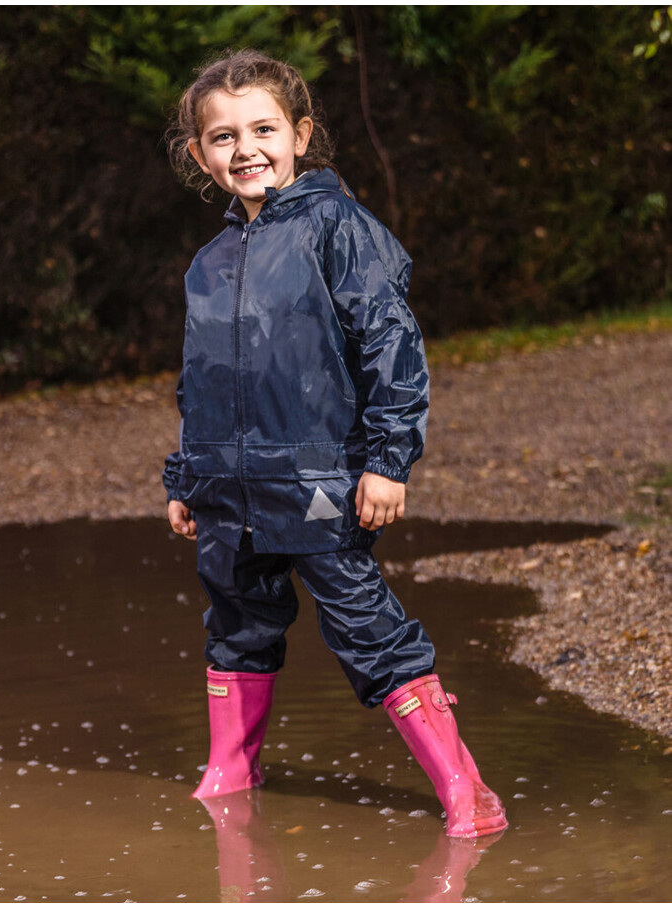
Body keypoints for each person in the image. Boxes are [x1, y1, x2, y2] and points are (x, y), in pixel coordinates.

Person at [162, 49, 507, 839]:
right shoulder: (208, 264)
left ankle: (466, 790)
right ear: (199, 156)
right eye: (223, 137)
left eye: (263, 129)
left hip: (320, 478)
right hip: (227, 486)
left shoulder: (337, 227)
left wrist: (389, 461)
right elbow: (200, 379)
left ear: (300, 133)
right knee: (237, 622)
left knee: (366, 624)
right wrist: (186, 478)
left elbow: (392, 345)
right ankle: (232, 772)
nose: (244, 148)